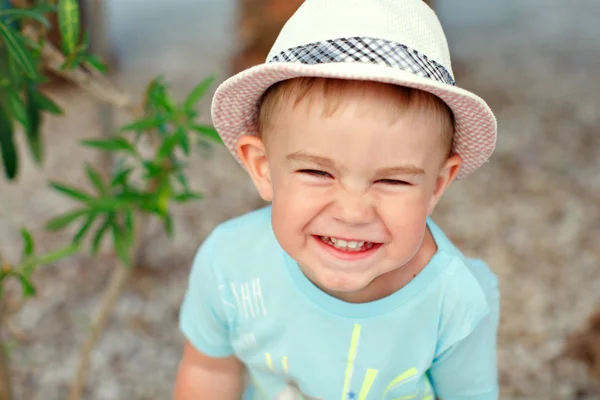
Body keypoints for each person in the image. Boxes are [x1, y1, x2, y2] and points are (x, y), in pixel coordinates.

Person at [174, 0, 500, 399]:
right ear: (262, 167)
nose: (352, 212)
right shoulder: (230, 264)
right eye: (317, 172)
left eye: (393, 180)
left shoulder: (456, 299)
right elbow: (208, 370)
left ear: (436, 185)